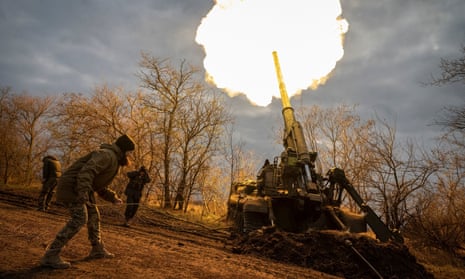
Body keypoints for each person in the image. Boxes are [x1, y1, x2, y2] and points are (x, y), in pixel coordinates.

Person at [40, 134, 135, 269]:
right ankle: (51, 255)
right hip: (73, 187)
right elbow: (86, 172)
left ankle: (97, 249)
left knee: (94, 215)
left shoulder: (113, 158)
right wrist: (83, 192)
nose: (130, 155)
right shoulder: (107, 155)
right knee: (79, 218)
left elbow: (99, 184)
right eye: (129, 152)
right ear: (124, 150)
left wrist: (112, 197)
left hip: (82, 187)